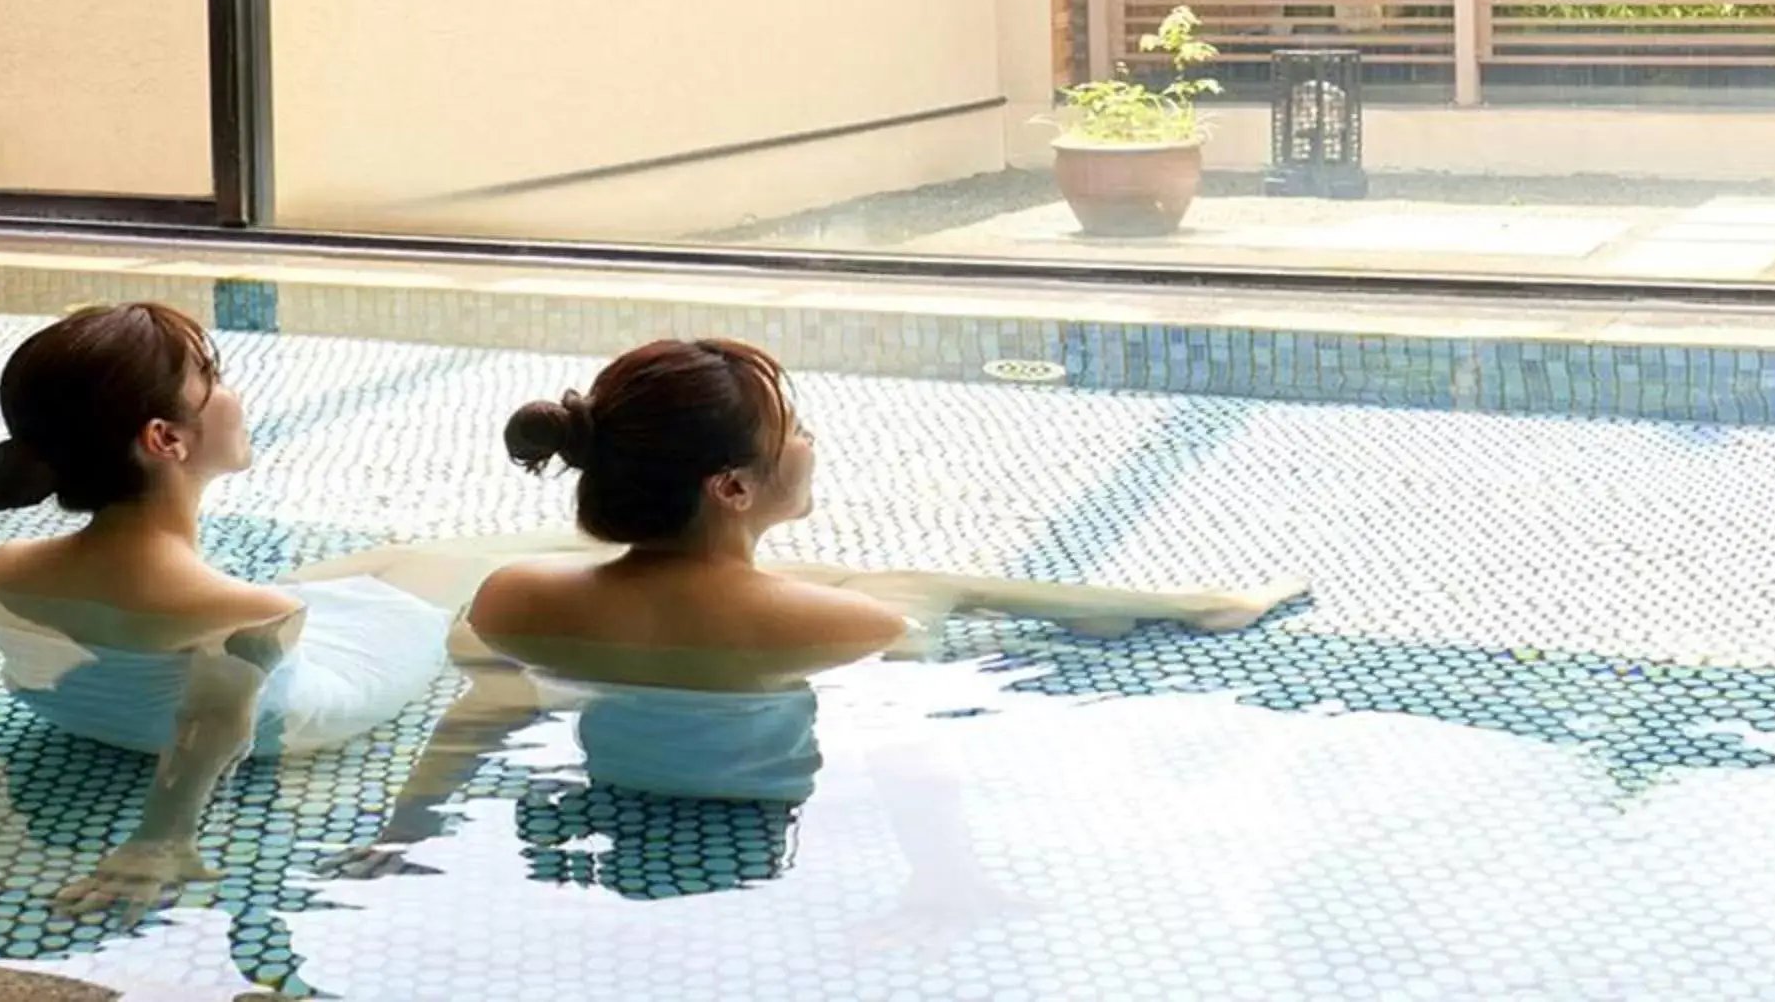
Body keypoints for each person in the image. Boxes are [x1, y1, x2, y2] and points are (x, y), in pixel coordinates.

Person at [0, 301, 497, 908]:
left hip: (78, 715)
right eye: (210, 381)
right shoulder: (245, 608)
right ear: (165, 439)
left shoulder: (6, 566)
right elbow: (215, 728)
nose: (231, 393)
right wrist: (156, 842)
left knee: (356, 571)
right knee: (446, 573)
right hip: (317, 710)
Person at [452, 336, 1304, 802]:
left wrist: (402, 832)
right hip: (763, 806)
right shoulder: (852, 627)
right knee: (922, 588)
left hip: (611, 789)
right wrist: (947, 880)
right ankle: (1191, 607)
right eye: (796, 428)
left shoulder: (510, 598)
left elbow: (477, 718)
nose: (811, 444)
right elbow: (911, 761)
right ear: (733, 487)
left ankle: (1185, 604)